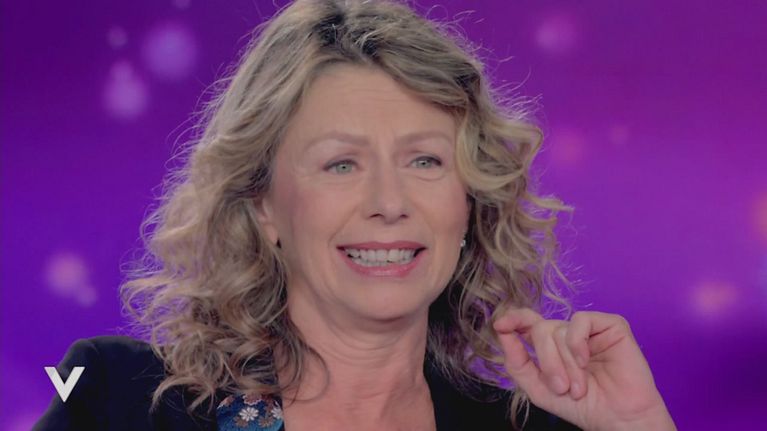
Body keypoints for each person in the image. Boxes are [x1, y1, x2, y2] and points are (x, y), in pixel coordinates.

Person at [34, 0, 676, 430]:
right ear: (263, 204)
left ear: (469, 201)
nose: (389, 203)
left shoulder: (544, 426)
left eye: (425, 161)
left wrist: (640, 428)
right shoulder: (115, 398)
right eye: (341, 164)